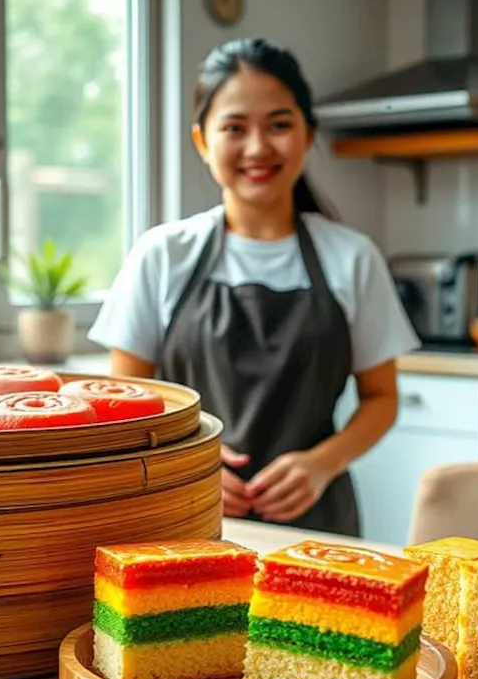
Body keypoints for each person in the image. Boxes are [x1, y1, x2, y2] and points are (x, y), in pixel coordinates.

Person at [87, 37, 420, 537]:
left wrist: (321, 464)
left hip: (316, 521)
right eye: (235, 128)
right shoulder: (162, 254)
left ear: (308, 134)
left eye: (280, 125)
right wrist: (189, 461)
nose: (258, 147)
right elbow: (127, 400)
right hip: (185, 514)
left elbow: (381, 399)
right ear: (202, 142)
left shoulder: (351, 257)